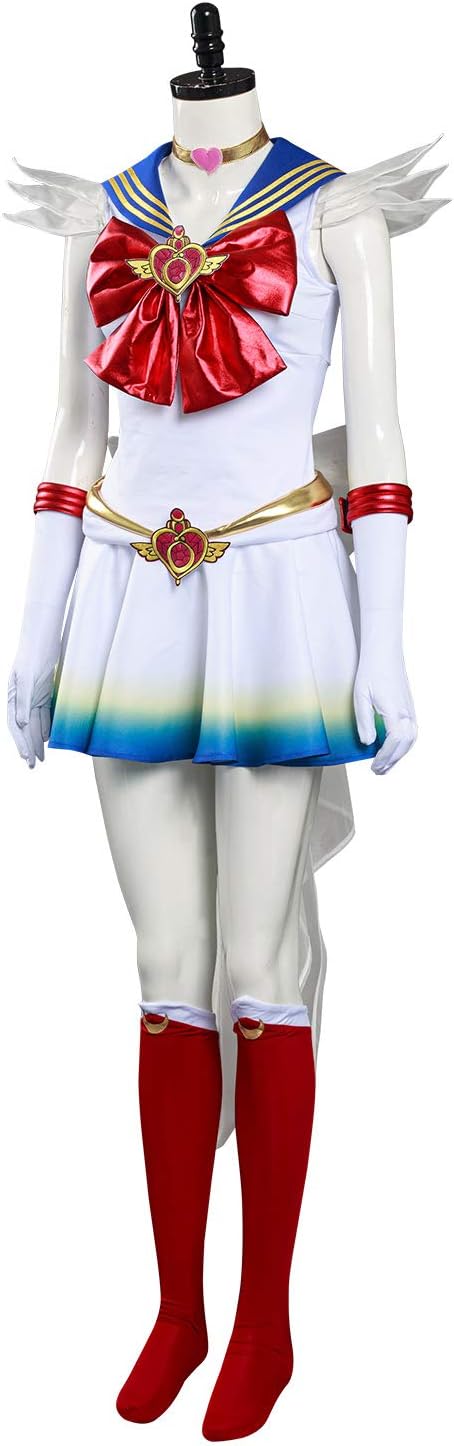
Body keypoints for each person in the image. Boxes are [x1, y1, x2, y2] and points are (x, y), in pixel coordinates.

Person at [5, 107, 448, 1439]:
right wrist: (34, 634)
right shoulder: (103, 214)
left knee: (260, 965)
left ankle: (265, 1317)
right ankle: (176, 1309)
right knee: (164, 967)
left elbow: (379, 446)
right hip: (128, 594)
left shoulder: (337, 211)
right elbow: (70, 441)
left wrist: (386, 643)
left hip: (275, 596)